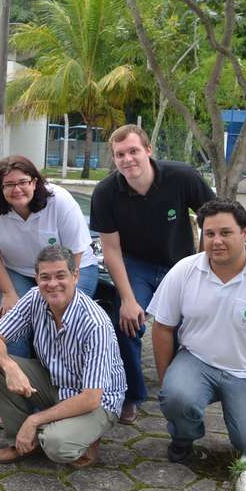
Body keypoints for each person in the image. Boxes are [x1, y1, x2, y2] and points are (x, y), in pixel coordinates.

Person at [147, 199, 246, 464]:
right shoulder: (185, 271)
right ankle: (183, 437)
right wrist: (167, 382)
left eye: (225, 233)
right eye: (209, 234)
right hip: (197, 361)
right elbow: (162, 327)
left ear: (245, 232)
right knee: (176, 397)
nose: (216, 241)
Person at [90, 124, 215, 424]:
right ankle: (132, 395)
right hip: (137, 265)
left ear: (148, 150)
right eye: (120, 154)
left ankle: (184, 389)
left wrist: (203, 262)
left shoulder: (182, 177)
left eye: (133, 151)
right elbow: (111, 250)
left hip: (180, 264)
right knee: (126, 323)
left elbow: (213, 217)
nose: (127, 159)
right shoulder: (106, 193)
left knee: (188, 328)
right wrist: (128, 299)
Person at [0, 245, 126, 467]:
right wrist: (10, 367)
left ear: (75, 276)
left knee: (57, 445)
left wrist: (34, 419)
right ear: (36, 278)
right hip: (57, 381)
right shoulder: (34, 298)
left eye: (60, 275)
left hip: (97, 400)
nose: (52, 284)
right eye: (45, 277)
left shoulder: (95, 323)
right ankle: (21, 443)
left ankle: (79, 438)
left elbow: (91, 397)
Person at [0, 155, 98, 344]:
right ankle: (17, 370)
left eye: (23, 182)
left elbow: (75, 253)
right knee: (10, 325)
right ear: (1, 188)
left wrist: (60, 288)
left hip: (70, 270)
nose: (16, 189)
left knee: (63, 321)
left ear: (34, 182)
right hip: (18, 271)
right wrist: (8, 293)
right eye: (9, 184)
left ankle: (59, 371)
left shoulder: (60, 201)